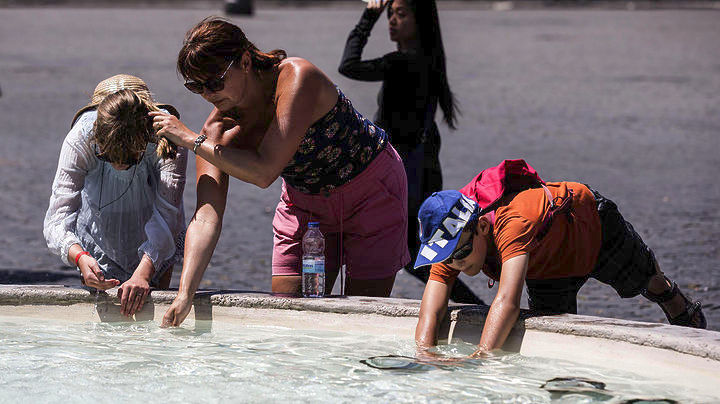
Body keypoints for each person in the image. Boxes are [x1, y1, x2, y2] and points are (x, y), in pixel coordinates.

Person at [152, 17, 409, 327]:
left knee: (360, 322)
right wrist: (184, 292)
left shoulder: (297, 77)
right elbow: (206, 217)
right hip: (305, 206)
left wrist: (192, 140)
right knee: (288, 320)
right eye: (197, 86)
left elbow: (264, 172)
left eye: (215, 81)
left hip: (371, 192)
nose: (208, 93)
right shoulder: (217, 133)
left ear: (245, 60)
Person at [413, 160, 707, 357]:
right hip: (549, 269)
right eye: (447, 258)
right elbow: (432, 308)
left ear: (482, 227)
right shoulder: (450, 235)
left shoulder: (513, 221)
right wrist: (425, 355)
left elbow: (507, 301)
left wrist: (480, 358)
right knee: (556, 338)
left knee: (646, 280)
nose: (455, 265)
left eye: (462, 254)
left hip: (592, 228)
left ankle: (673, 298)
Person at [338, 0, 480, 305]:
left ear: (421, 22)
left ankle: (469, 306)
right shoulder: (430, 60)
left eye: (401, 14)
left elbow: (348, 65)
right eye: (389, 14)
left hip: (403, 171)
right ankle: (464, 304)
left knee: (407, 250)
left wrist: (369, 15)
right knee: (421, 248)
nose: (392, 20)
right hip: (424, 165)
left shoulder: (402, 63)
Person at [44, 75, 188, 317]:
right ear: (97, 137)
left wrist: (145, 271)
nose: (119, 165)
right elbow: (57, 217)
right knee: (103, 328)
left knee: (153, 325)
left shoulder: (168, 138)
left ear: (145, 140)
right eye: (108, 157)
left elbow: (167, 216)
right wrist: (79, 256)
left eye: (131, 160)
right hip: (96, 235)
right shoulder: (81, 137)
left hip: (155, 232)